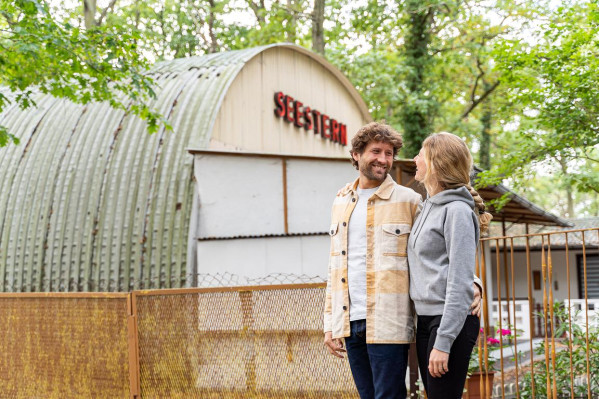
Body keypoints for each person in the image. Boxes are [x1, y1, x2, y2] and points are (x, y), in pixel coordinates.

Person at [323, 123, 482, 399]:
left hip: (389, 322)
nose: (383, 159)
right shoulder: (340, 203)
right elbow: (335, 266)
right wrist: (330, 322)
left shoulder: (411, 201)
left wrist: (474, 284)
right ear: (356, 154)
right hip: (349, 321)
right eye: (376, 151)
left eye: (389, 153)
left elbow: (444, 251)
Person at [408, 132, 493, 399]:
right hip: (426, 320)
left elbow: (459, 279)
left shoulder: (456, 211)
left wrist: (444, 342)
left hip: (449, 322)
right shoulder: (428, 208)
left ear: (435, 162)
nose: (415, 159)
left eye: (421, 154)